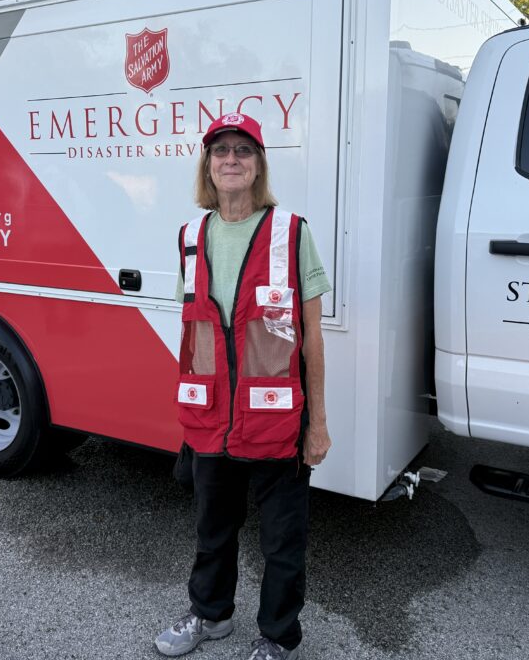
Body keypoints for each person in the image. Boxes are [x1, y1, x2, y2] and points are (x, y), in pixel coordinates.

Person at [156, 113, 331, 660]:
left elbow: (311, 337)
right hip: (212, 419)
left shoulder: (291, 232)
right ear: (208, 165)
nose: (231, 159)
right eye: (221, 150)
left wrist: (318, 424)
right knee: (212, 530)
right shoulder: (190, 237)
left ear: (259, 165)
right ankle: (210, 615)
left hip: (277, 419)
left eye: (243, 150)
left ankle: (278, 637)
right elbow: (197, 334)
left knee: (282, 542)